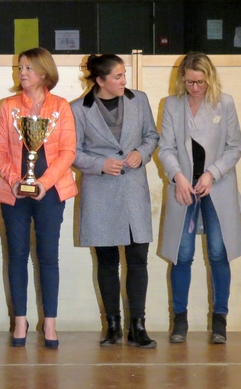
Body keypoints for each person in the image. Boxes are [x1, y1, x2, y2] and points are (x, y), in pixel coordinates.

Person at [158, 52, 241, 345]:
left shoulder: (225, 103)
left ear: (209, 79)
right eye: (189, 82)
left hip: (216, 188)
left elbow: (235, 147)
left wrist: (212, 173)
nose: (194, 88)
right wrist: (178, 176)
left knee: (219, 253)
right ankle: (179, 321)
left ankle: (219, 320)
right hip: (183, 189)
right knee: (182, 255)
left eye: (200, 82)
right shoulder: (171, 105)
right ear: (181, 79)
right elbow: (166, 148)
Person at [0, 47, 77, 350]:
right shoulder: (8, 106)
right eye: (20, 68)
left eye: (28, 68)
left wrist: (42, 182)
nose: (22, 73)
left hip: (51, 192)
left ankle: (49, 322)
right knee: (15, 255)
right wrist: (16, 181)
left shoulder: (61, 106)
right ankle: (20, 320)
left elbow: (68, 151)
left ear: (43, 72)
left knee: (47, 256)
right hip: (13, 194)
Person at [71, 54, 159, 349]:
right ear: (100, 81)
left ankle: (138, 326)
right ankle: (112, 326)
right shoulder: (78, 110)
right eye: (118, 76)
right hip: (100, 191)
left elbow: (152, 136)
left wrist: (141, 153)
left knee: (138, 259)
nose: (124, 81)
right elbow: (72, 152)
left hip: (133, 189)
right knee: (107, 262)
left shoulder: (140, 100)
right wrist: (99, 165)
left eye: (124, 75)